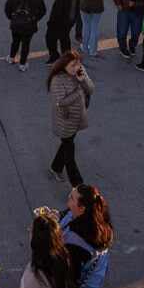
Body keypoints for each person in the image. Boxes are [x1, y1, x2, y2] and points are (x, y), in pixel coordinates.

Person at [47, 51, 94, 187]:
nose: (77, 67)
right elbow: (60, 102)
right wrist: (78, 91)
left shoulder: (80, 71)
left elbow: (91, 90)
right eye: (73, 65)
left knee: (67, 144)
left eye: (78, 63)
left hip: (78, 117)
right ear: (64, 66)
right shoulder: (57, 80)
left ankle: (56, 167)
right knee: (69, 152)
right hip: (65, 121)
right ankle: (78, 185)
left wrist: (83, 79)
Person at [5, 0, 47, 72]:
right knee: (26, 44)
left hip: (16, 24)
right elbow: (43, 11)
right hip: (29, 26)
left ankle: (11, 58)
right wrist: (35, 19)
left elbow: (7, 9)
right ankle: (22, 64)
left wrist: (11, 18)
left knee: (15, 41)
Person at [45, 0, 78, 65]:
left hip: (59, 23)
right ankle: (67, 58)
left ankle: (55, 57)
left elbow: (57, 12)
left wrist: (51, 23)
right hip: (69, 22)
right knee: (65, 39)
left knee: (50, 38)